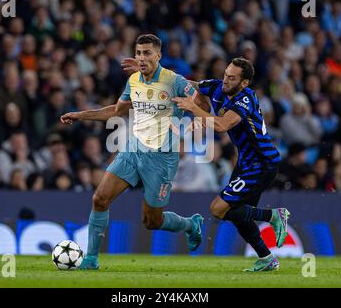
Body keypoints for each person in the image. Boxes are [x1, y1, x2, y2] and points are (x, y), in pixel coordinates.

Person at [124, 57, 290, 271]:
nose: (225, 81)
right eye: (225, 75)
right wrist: (151, 71)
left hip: (261, 164)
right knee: (239, 213)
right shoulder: (218, 87)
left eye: (232, 78)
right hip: (247, 163)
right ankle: (267, 258)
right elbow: (185, 83)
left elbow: (221, 125)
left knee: (218, 209)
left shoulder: (245, 100)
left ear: (245, 83)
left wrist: (193, 108)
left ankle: (274, 216)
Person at [60, 34, 203, 270]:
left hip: (162, 160)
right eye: (138, 53)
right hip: (133, 151)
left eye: (147, 53)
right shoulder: (134, 81)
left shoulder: (174, 81)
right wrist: (80, 115)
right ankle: (91, 259)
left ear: (159, 56)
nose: (141, 57)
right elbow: (116, 111)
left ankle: (190, 225)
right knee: (100, 198)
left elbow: (204, 104)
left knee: (152, 221)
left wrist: (192, 108)